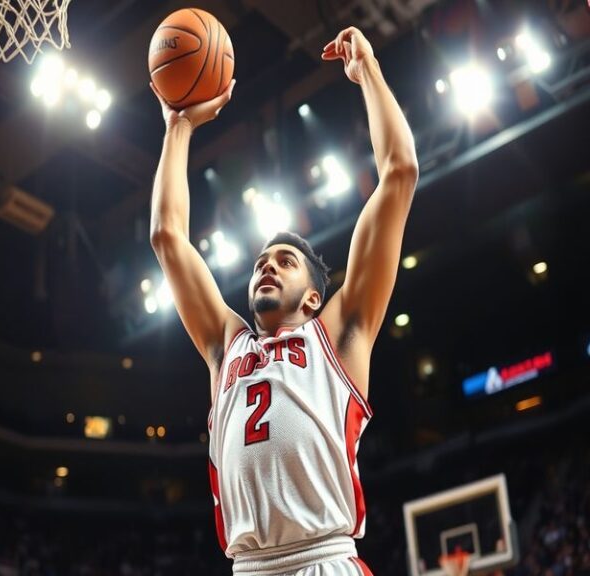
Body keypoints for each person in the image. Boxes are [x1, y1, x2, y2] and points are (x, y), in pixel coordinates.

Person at [149, 27, 418, 576]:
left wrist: (368, 70)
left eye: (284, 261)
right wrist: (177, 127)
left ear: (316, 296)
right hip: (248, 568)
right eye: (259, 263)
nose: (266, 265)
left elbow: (399, 173)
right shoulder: (226, 346)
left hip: (323, 559)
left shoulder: (340, 334)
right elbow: (167, 237)